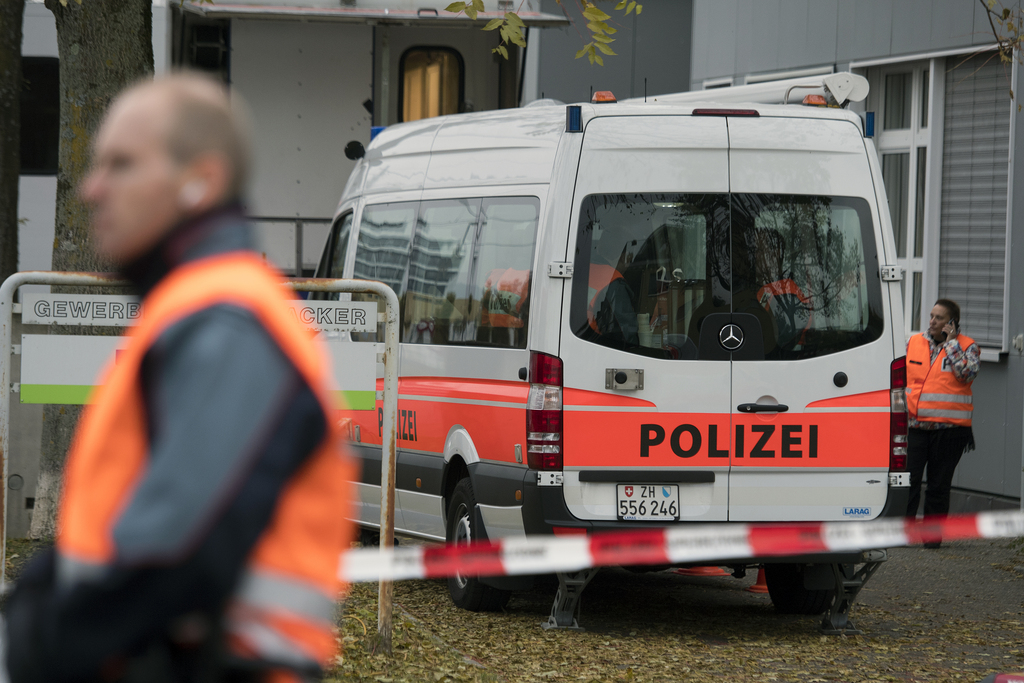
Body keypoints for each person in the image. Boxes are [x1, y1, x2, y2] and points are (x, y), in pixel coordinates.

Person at [5, 73, 355, 682]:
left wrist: (36, 644)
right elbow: (119, 530)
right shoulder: (196, 312)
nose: (90, 189)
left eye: (122, 164)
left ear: (204, 180)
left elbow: (175, 551)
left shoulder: (228, 322)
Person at [904, 298, 980, 546]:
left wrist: (952, 345)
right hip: (916, 427)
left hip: (950, 430)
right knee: (909, 481)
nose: (932, 322)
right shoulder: (914, 342)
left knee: (938, 485)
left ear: (952, 323)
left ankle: (932, 539)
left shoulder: (967, 347)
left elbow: (967, 374)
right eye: (931, 316)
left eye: (939, 318)